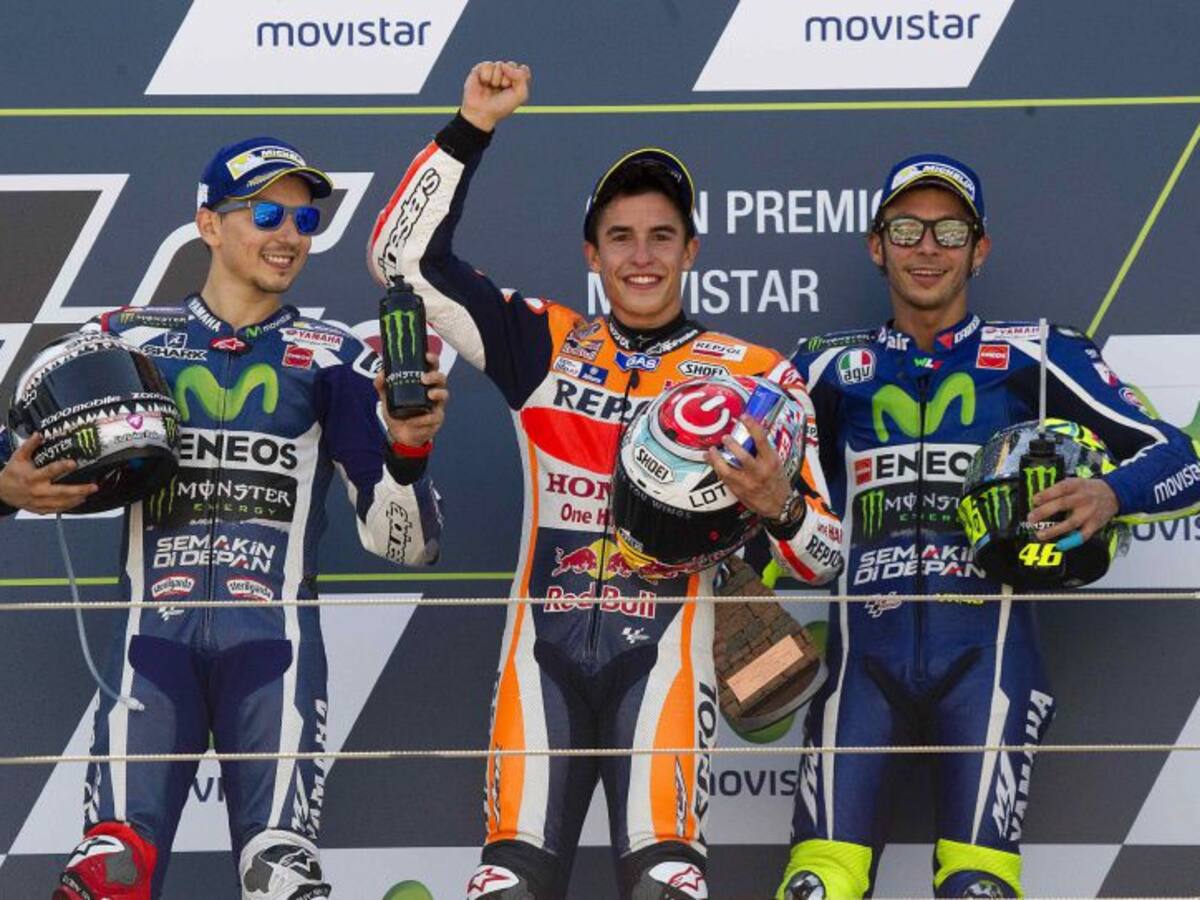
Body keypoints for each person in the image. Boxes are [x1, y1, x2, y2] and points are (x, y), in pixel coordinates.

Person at [368, 62, 844, 900]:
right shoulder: (543, 344)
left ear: (692, 249)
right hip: (539, 658)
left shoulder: (759, 377)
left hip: (668, 665)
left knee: (667, 885)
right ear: (592, 253)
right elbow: (398, 258)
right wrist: (471, 127)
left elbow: (826, 558)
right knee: (507, 887)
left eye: (662, 235)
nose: (642, 256)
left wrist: (780, 505)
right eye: (620, 237)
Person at [0, 136, 448, 900]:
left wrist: (408, 452)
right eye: (267, 214)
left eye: (305, 221)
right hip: (151, 651)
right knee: (109, 871)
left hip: (273, 655)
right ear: (208, 224)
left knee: (281, 875)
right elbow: (15, 447)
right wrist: (7, 487)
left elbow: (408, 545)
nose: (288, 235)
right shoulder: (124, 338)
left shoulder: (334, 358)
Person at [778, 154, 1200, 898]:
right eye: (906, 229)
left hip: (990, 665)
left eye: (950, 231)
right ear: (876, 245)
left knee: (980, 887)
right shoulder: (826, 365)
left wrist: (1111, 492)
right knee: (818, 884)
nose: (928, 248)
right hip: (858, 670)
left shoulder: (1038, 351)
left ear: (980, 249)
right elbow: (733, 471)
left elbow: (1183, 459)